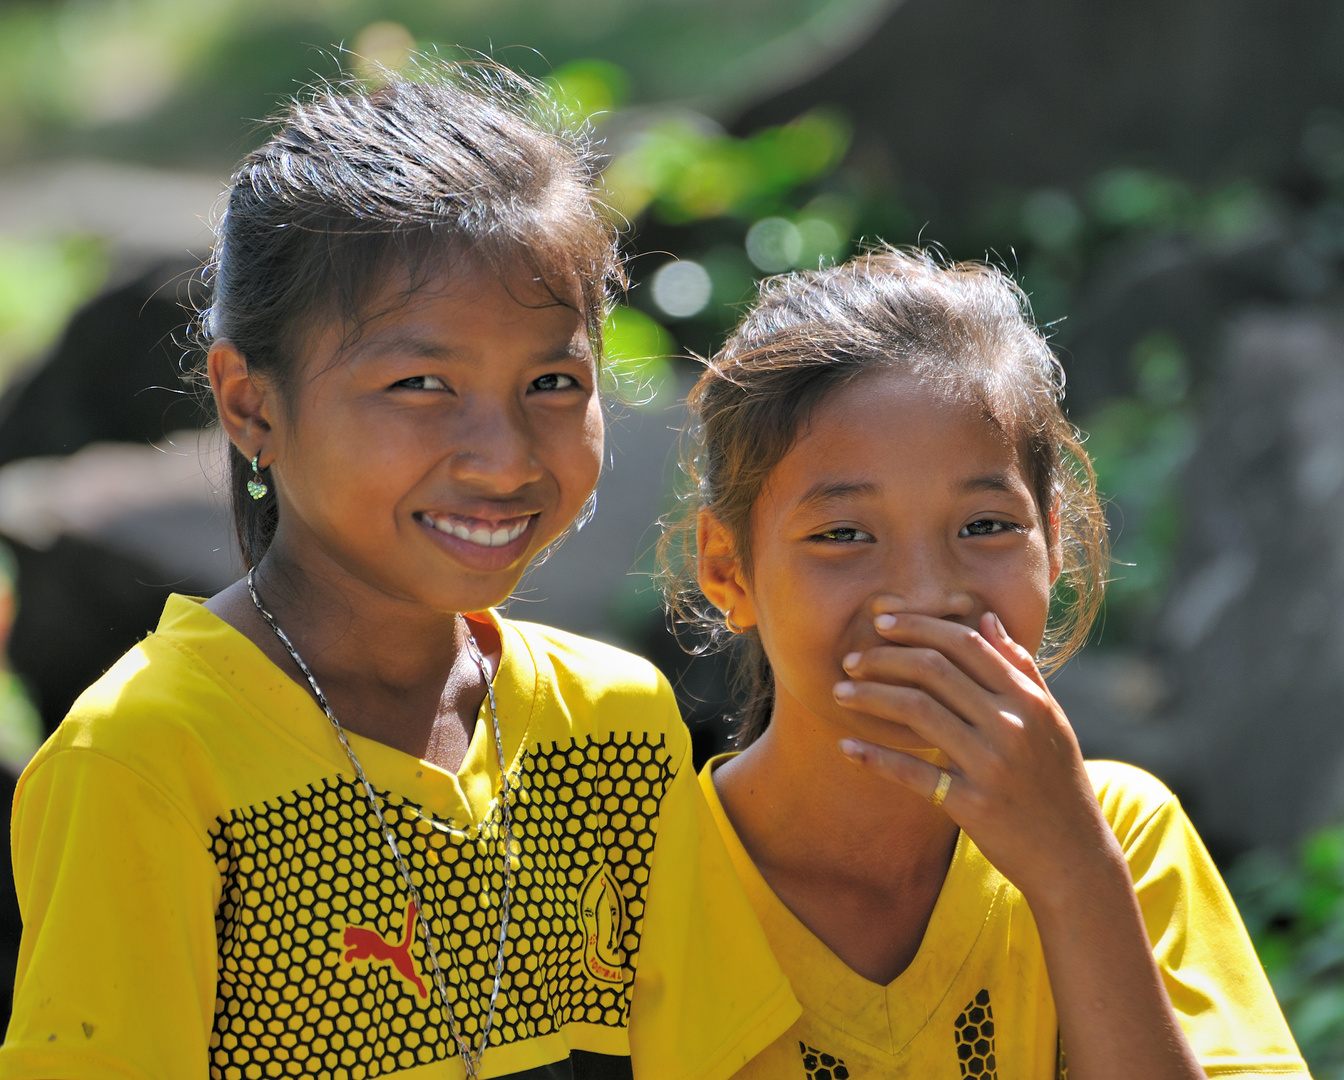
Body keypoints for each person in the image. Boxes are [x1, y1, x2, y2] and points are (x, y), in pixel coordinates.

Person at [0, 65, 798, 1080]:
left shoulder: (616, 726)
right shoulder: (150, 761)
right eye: (420, 384)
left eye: (553, 382)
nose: (504, 455)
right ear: (250, 406)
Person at [661, 248, 1309, 1079]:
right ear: (726, 568)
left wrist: (1076, 877)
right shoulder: (646, 882)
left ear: (1055, 538)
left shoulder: (1122, 838)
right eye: (843, 536)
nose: (928, 596)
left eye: (984, 527)